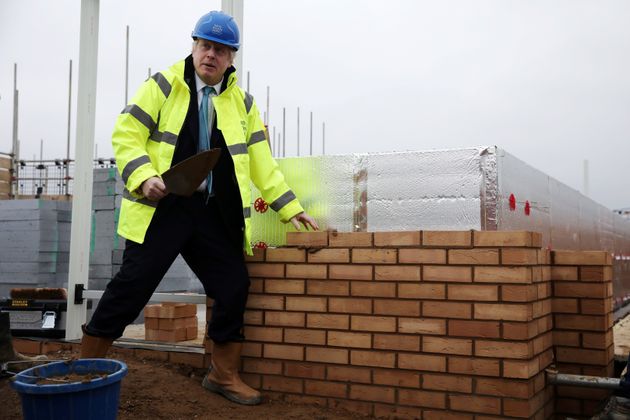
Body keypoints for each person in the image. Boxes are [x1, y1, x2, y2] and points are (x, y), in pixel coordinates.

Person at [80, 10, 318, 406]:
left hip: (211, 212)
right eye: (205, 46)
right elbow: (126, 134)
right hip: (162, 207)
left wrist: (289, 208)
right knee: (133, 285)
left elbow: (263, 163)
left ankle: (223, 374)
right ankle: (84, 368)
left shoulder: (243, 103)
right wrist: (143, 175)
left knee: (233, 285)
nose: (211, 55)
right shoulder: (163, 85)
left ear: (231, 59)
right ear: (193, 46)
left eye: (221, 51)